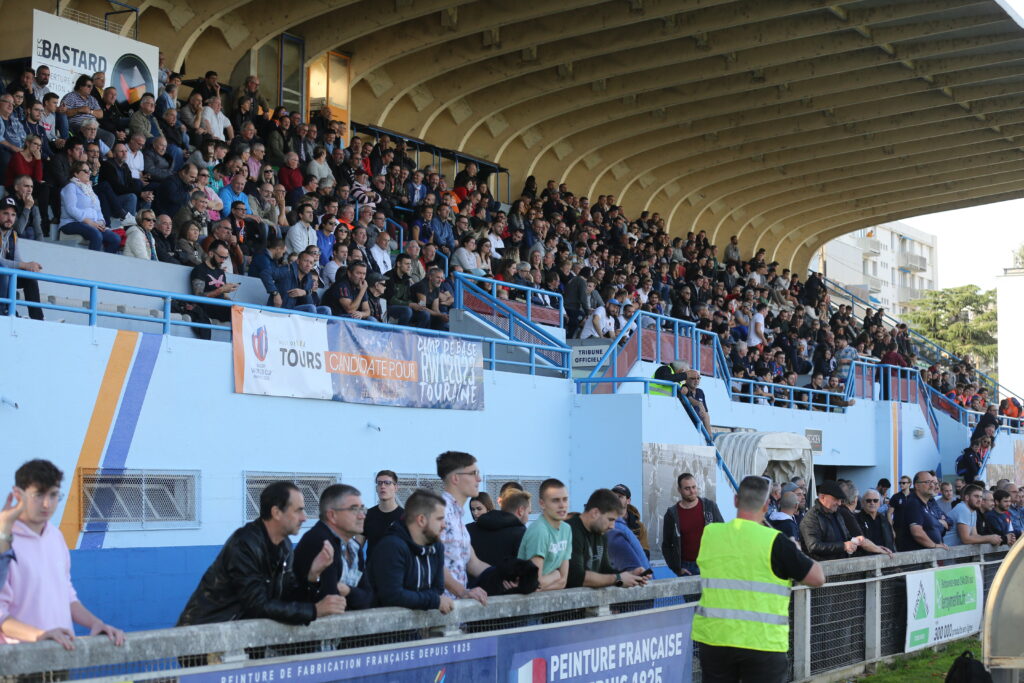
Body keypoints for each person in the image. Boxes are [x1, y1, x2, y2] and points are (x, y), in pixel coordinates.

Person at [692, 475, 825, 683]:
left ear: (736, 500)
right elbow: (817, 577)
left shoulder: (710, 534)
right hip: (762, 642)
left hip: (715, 638)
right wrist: (797, 551)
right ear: (766, 505)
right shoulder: (776, 542)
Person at [178, 481, 345, 626]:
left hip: (241, 639)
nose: (304, 518)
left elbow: (287, 597)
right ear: (276, 512)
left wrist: (312, 576)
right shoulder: (244, 544)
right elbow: (257, 605)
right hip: (208, 639)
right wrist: (314, 610)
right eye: (298, 510)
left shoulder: (284, 545)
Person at [0, 460, 124, 649]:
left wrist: (95, 623)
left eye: (53, 495)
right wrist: (40, 635)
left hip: (60, 653)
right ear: (18, 494)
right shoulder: (4, 540)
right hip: (19, 661)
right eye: (38, 495)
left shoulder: (56, 536)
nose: (47, 504)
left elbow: (67, 595)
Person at [367, 489, 452, 613]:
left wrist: (416, 598)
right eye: (439, 519)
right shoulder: (391, 547)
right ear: (421, 520)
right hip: (381, 629)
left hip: (412, 629)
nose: (444, 525)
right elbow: (393, 596)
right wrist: (433, 600)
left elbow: (438, 589)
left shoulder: (436, 547)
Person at [293, 484, 373, 611]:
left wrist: (347, 591)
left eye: (362, 509)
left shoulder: (355, 547)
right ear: (332, 515)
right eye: (354, 509)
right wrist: (355, 595)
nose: (362, 516)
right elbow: (330, 600)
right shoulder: (319, 542)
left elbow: (368, 598)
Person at [437, 450, 497, 603]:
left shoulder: (457, 516)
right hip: (436, 614)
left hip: (454, 615)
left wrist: (505, 577)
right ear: (455, 478)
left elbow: (473, 563)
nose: (479, 478)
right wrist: (463, 592)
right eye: (473, 473)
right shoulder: (439, 510)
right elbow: (431, 561)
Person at [566, 489, 649, 589]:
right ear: (595, 513)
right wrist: (618, 579)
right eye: (610, 519)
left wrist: (630, 575)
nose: (612, 526)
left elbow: (605, 571)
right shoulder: (570, 531)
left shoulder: (601, 533)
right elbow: (576, 577)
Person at [662, 473, 724, 576]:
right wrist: (677, 568)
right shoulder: (671, 514)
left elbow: (723, 534)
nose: (692, 491)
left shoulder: (710, 506)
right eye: (687, 488)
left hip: (711, 565)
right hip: (687, 568)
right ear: (679, 490)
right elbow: (666, 545)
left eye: (694, 487)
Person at [517, 479, 571, 591]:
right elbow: (533, 584)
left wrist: (555, 579)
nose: (562, 505)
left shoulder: (567, 529)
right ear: (542, 503)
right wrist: (556, 575)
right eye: (555, 500)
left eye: (565, 499)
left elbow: (563, 582)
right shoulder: (539, 530)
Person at [58, 162, 122, 252]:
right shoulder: (70, 187)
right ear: (76, 173)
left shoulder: (89, 189)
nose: (89, 173)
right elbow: (71, 209)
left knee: (115, 239)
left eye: (89, 171)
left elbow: (98, 210)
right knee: (96, 235)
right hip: (71, 223)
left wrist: (101, 222)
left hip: (92, 223)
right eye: (85, 171)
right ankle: (92, 264)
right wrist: (88, 221)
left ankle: (106, 263)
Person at [0, 197, 44, 321]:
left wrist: (28, 267)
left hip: (4, 279)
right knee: (4, 270)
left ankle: (38, 319)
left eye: (13, 215)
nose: (10, 218)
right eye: (5, 213)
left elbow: (17, 260)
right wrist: (24, 265)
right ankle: (3, 310)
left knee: (28, 277)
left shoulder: (12, 235)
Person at [470, 489, 531, 567]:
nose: (475, 513)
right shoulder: (521, 533)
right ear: (521, 510)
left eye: (479, 509)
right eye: (528, 513)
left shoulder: (467, 529)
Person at [799, 480, 857, 560]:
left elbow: (846, 537)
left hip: (840, 565)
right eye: (836, 499)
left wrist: (855, 541)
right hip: (822, 568)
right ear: (822, 497)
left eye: (840, 500)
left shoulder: (837, 514)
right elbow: (813, 546)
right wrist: (843, 546)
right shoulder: (811, 518)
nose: (839, 503)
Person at [896, 471, 949, 552]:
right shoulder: (913, 503)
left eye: (932, 482)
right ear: (917, 486)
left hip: (927, 557)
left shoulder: (927, 504)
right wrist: (934, 545)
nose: (932, 485)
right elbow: (917, 532)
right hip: (916, 560)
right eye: (927, 482)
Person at [266, 250, 331, 315]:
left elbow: (310, 303)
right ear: (298, 261)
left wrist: (305, 293)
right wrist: (275, 293)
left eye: (311, 263)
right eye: (306, 261)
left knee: (326, 310)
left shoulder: (309, 279)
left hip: (295, 311)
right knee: (310, 308)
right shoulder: (287, 270)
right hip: (282, 309)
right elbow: (265, 274)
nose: (308, 265)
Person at [363, 470, 403, 560]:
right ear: (376, 488)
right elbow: (357, 547)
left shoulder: (406, 517)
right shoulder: (367, 515)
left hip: (397, 570)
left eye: (387, 483)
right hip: (372, 571)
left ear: (396, 487)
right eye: (379, 483)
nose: (383, 486)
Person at [610, 483, 649, 557]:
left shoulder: (639, 526)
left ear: (628, 501)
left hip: (633, 566)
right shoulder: (604, 523)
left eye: (619, 497)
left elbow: (645, 554)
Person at [855, 489, 895, 553]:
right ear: (862, 503)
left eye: (875, 500)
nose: (872, 503)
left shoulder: (884, 520)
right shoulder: (856, 519)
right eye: (868, 500)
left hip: (885, 557)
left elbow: (890, 540)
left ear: (879, 503)